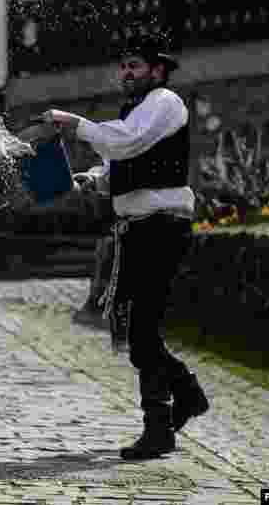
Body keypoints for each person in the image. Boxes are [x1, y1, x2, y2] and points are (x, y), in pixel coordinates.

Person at [35, 32, 209, 460]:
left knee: (143, 332)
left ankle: (162, 426)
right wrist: (93, 179)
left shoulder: (166, 102)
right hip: (139, 229)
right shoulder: (135, 110)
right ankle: (184, 397)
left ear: (157, 69)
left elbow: (126, 141)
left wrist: (75, 124)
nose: (127, 72)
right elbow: (119, 157)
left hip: (163, 227)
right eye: (124, 65)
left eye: (136, 65)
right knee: (138, 334)